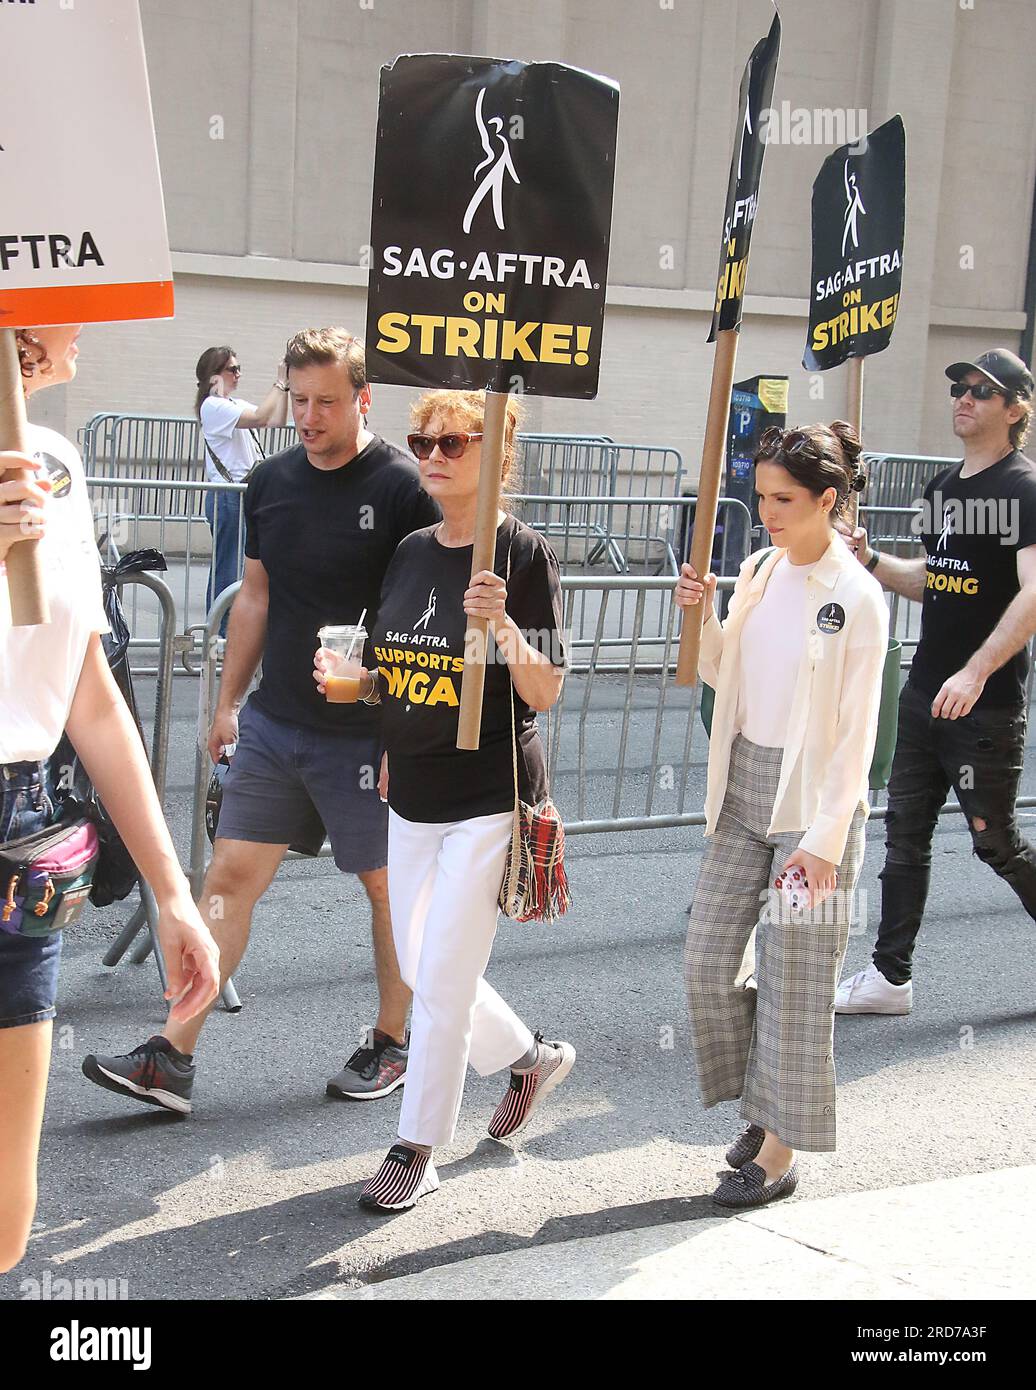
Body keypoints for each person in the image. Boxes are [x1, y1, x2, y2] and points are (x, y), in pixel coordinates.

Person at [83, 328, 439, 1113]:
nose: (308, 417)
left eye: (327, 402)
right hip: (276, 724)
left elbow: (428, 618)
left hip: (368, 733)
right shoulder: (271, 481)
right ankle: (172, 1057)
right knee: (228, 881)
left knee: (386, 890)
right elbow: (256, 595)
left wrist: (395, 712)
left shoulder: (405, 488)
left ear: (363, 399)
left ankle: (394, 1041)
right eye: (299, 399)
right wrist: (228, 703)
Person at [315, 389, 573, 1213]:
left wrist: (503, 628)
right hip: (412, 788)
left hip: (488, 795)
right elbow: (397, 668)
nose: (430, 454)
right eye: (422, 439)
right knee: (428, 962)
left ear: (495, 454)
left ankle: (417, 1144)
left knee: (440, 980)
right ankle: (528, 1058)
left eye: (452, 442)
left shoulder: (522, 554)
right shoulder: (411, 550)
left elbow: (549, 687)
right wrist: (366, 701)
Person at [1, 326, 220, 1272]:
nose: (86, 318)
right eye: (67, 298)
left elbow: (88, 690)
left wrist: (173, 892)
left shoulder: (52, 462)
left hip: (26, 836)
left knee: (9, 1200)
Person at [677, 422, 888, 1209]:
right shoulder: (759, 570)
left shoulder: (858, 597)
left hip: (816, 809)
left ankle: (778, 1150)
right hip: (745, 792)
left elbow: (858, 733)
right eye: (761, 495)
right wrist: (700, 618)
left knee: (797, 981)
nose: (766, 511)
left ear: (828, 501)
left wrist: (828, 842)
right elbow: (722, 672)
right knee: (706, 963)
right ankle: (766, 1103)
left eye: (784, 499)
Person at [836, 349, 1036, 1014]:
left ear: (1014, 411)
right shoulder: (943, 490)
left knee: (995, 842)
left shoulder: (1024, 488)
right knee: (904, 835)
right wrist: (868, 560)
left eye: (984, 391)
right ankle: (890, 977)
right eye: (961, 387)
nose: (965, 398)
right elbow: (935, 579)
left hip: (986, 703)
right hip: (924, 691)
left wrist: (977, 671)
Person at [195, 346, 289, 633]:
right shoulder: (213, 406)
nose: (238, 374)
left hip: (240, 495)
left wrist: (285, 388)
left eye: (238, 368)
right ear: (214, 376)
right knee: (228, 568)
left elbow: (276, 420)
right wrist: (280, 382)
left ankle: (226, 632)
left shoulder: (231, 404)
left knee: (241, 567)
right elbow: (262, 417)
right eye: (231, 369)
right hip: (228, 496)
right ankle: (220, 635)